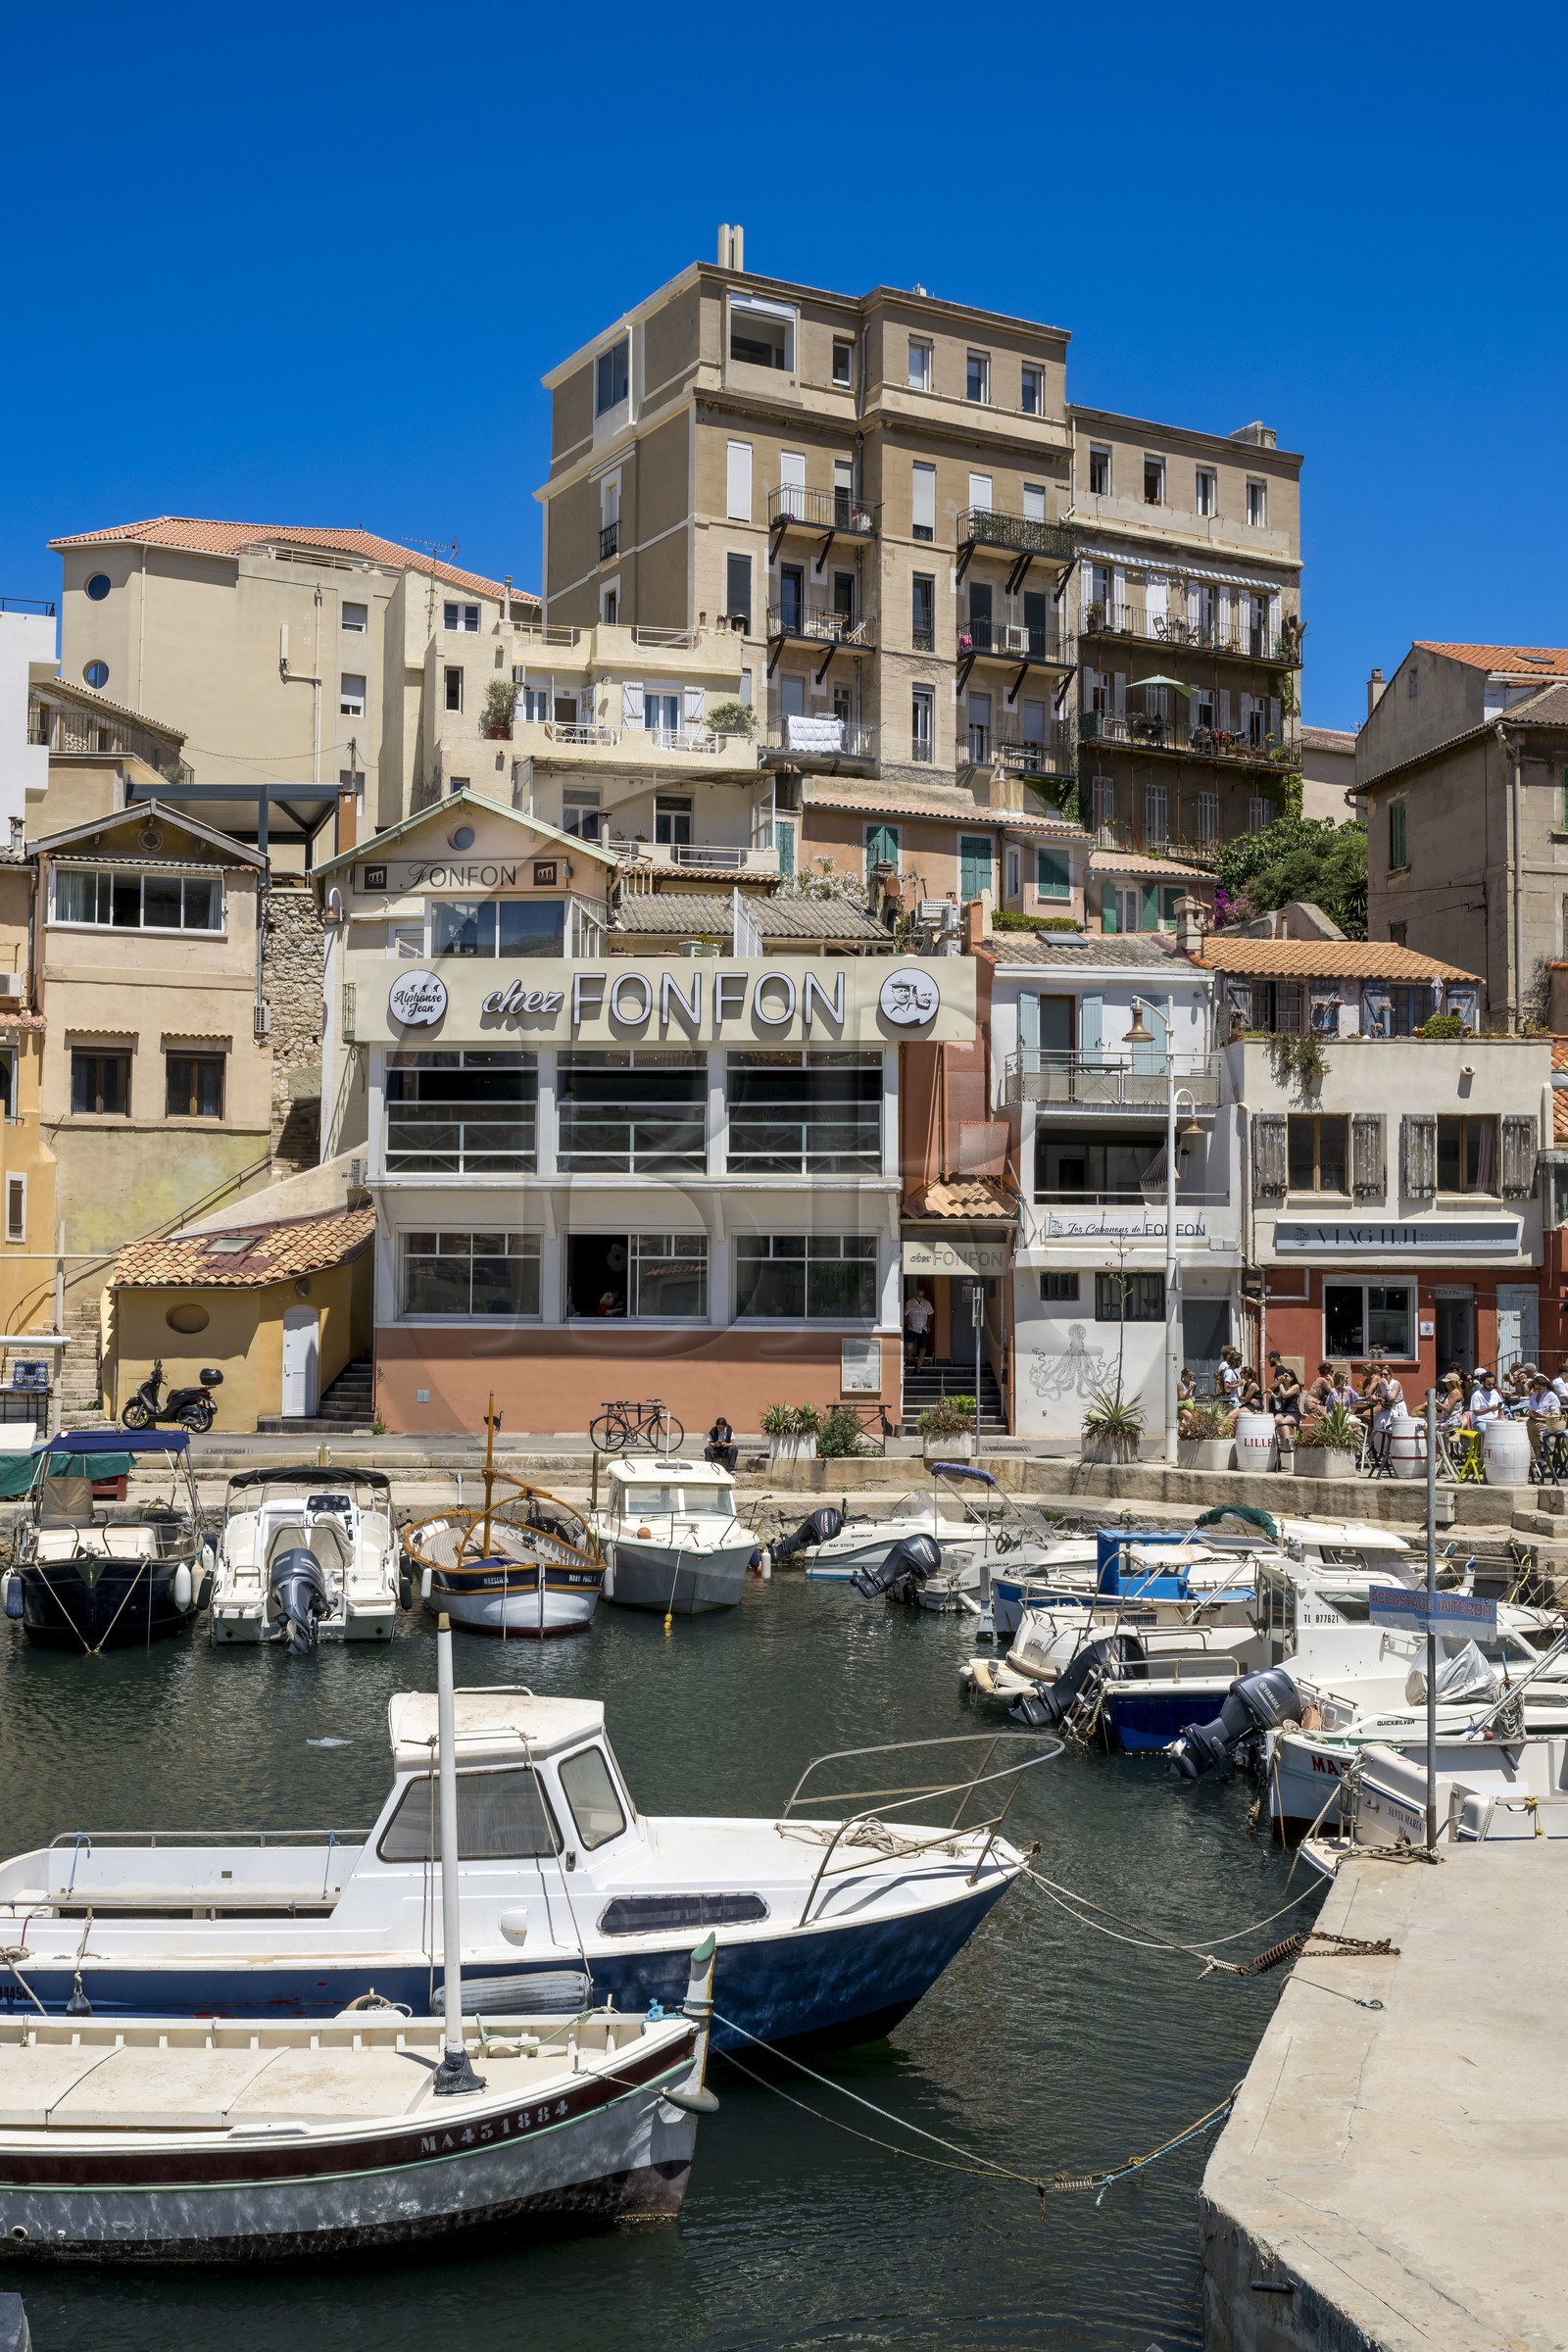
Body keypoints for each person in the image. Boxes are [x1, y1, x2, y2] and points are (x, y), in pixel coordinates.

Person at [1525, 1370, 1565, 1463]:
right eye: (1536, 1388)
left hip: (1545, 1423)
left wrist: (1544, 1415)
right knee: (1532, 1444)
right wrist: (1529, 1412)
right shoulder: (1534, 1396)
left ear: (1545, 1387)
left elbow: (1556, 1412)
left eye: (1540, 1388)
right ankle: (1537, 1460)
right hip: (1532, 1422)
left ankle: (1545, 1459)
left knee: (1544, 1443)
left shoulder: (1551, 1396)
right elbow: (1530, 1408)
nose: (1538, 1391)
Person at [904, 1288, 934, 1369]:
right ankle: (909, 1361)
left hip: (923, 1328)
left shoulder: (927, 1303)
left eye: (922, 1296)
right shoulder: (909, 1303)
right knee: (910, 1346)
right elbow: (905, 1315)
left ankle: (919, 1368)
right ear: (915, 1295)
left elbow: (931, 1314)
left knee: (923, 1348)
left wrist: (928, 1325)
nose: (921, 1297)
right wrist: (908, 1323)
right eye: (919, 1295)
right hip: (913, 1327)